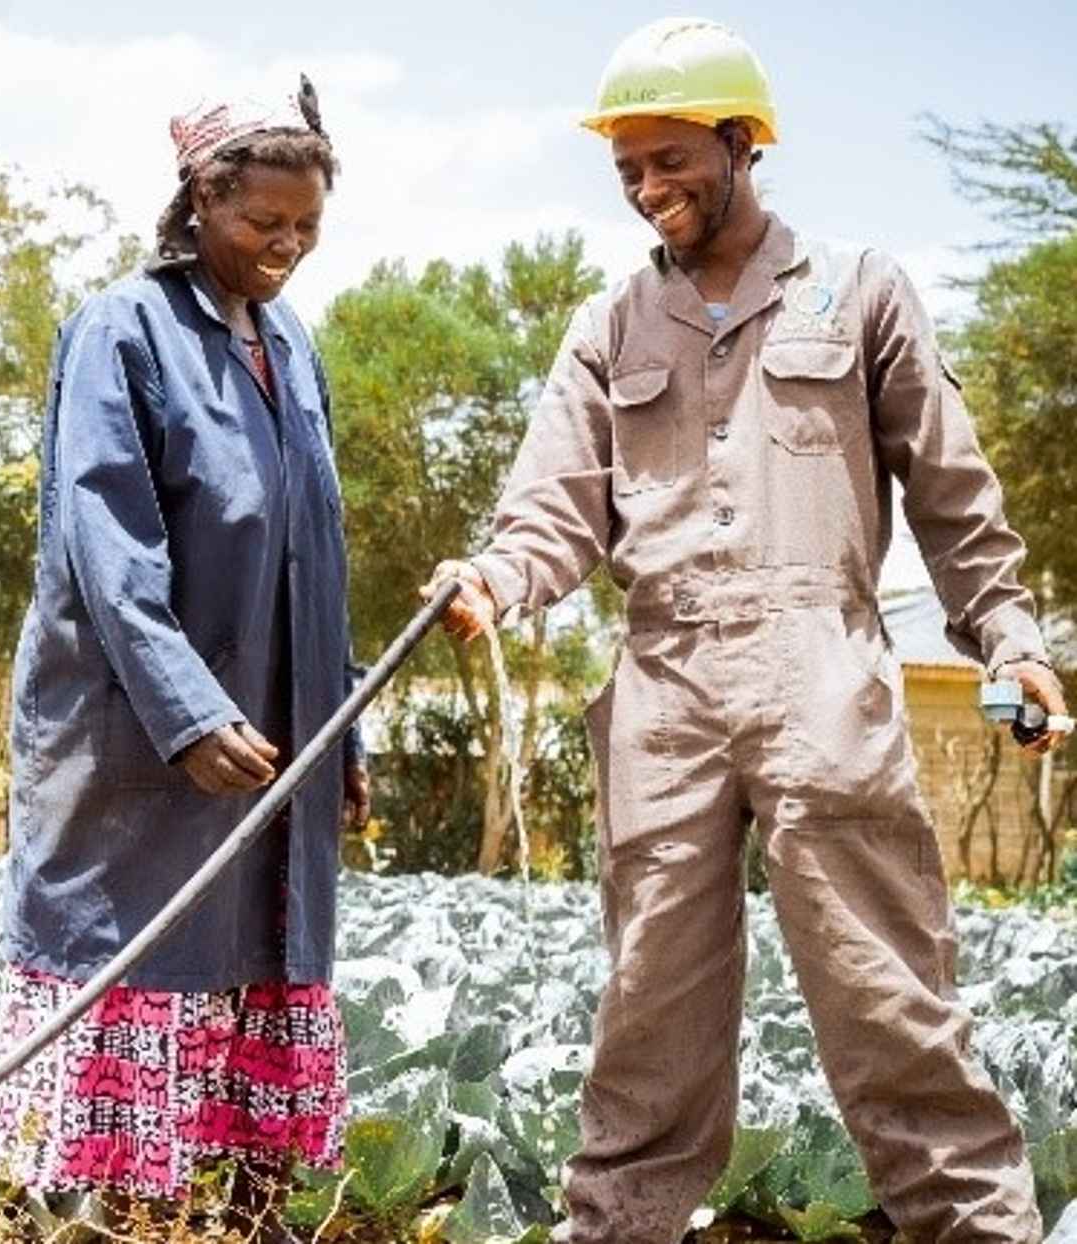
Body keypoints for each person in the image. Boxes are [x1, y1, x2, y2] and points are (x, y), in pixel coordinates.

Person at [424, 18, 1069, 1244]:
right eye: (626, 169)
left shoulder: (857, 289)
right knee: (647, 1004)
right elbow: (551, 512)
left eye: (669, 159)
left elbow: (951, 494)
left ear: (739, 142)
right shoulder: (608, 326)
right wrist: (495, 581)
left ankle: (975, 1228)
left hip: (818, 668)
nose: (646, 188)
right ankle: (616, 1226)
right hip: (660, 684)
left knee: (885, 991)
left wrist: (1010, 638)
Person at [0, 80, 366, 1240]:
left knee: (261, 947)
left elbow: (316, 556)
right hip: (138, 735)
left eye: (307, 226)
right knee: (135, 949)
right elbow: (105, 545)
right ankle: (102, 1210)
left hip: (272, 734)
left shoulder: (289, 345)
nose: (286, 246)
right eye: (263, 222)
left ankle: (241, 1211)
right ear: (202, 198)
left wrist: (340, 731)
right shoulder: (123, 329)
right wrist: (188, 711)